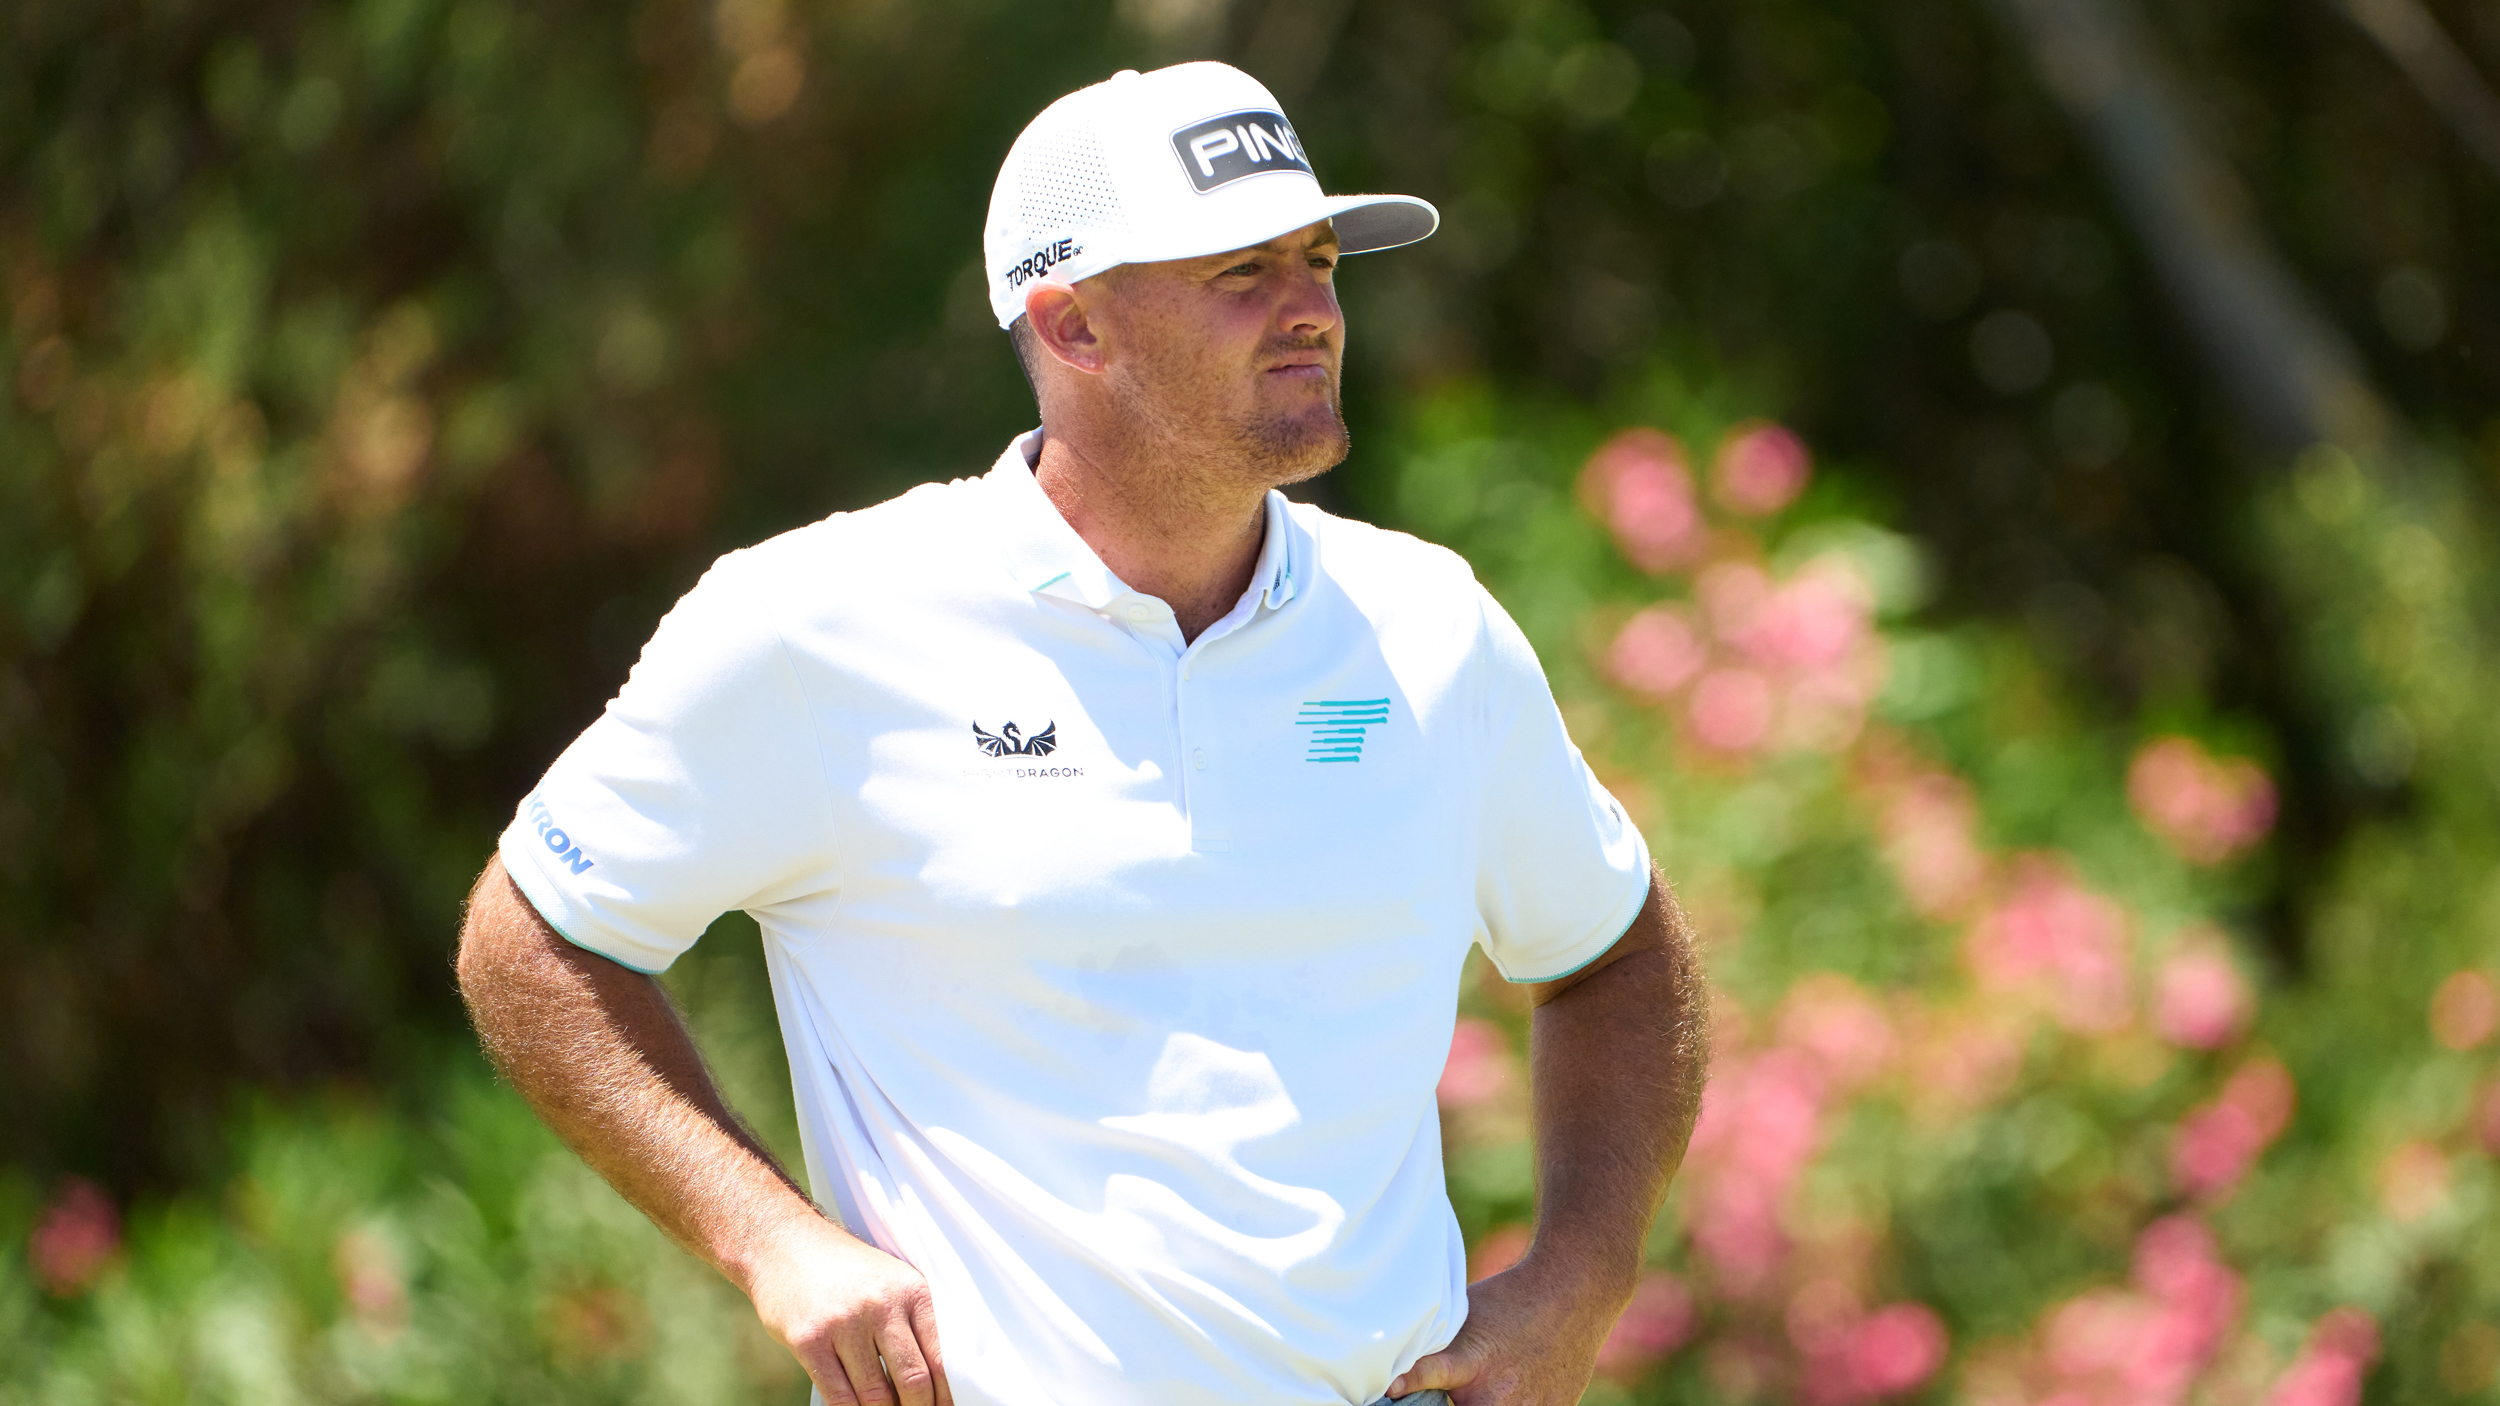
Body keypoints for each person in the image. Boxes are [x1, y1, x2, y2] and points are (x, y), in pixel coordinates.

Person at [456, 61, 1708, 1406]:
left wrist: (1580, 1279)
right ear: (1072, 326)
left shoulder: (1429, 628)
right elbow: (530, 938)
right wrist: (772, 1242)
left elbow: (1618, 958)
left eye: (1320, 258)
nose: (1314, 312)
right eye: (1243, 273)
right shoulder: (821, 623)